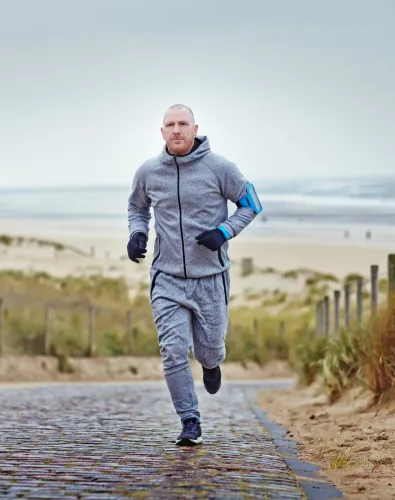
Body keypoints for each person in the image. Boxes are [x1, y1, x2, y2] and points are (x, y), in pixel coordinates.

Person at [126, 104, 262, 446]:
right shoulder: (148, 172)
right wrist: (137, 234)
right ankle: (189, 420)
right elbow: (137, 208)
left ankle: (212, 363)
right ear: (161, 132)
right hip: (167, 277)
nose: (176, 129)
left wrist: (225, 231)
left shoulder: (221, 168)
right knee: (172, 350)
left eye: (182, 123)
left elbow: (252, 204)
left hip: (210, 278)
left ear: (194, 128)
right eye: (169, 124)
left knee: (209, 351)